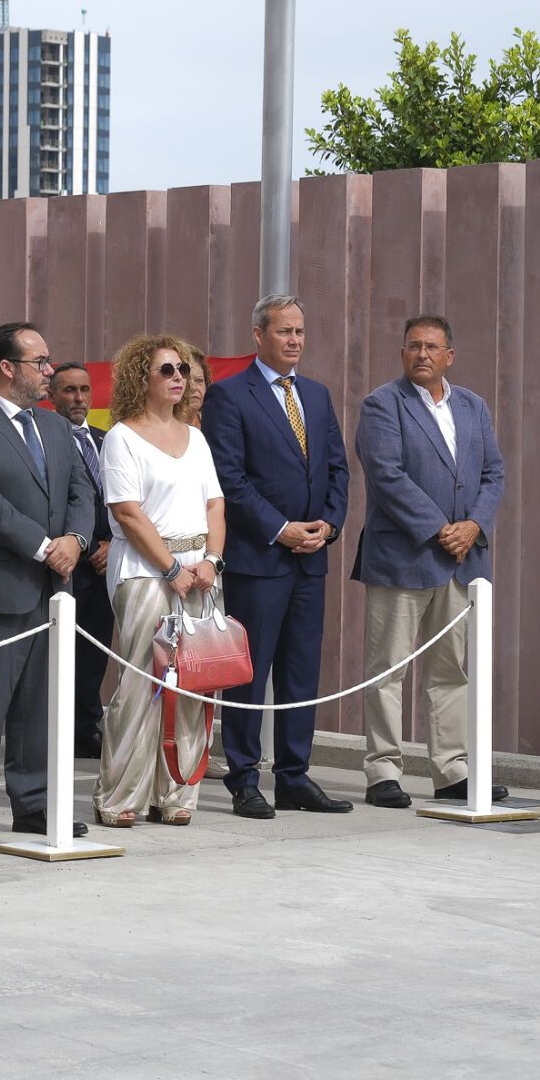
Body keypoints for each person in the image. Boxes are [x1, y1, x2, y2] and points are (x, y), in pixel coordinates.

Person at [0, 321, 96, 845]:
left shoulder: (55, 427)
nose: (50, 371)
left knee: (41, 706)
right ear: (8, 368)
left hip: (53, 592)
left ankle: (33, 804)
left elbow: (81, 490)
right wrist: (45, 546)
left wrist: (75, 537)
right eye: (41, 362)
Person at [200, 293, 353, 819]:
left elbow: (337, 468)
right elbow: (230, 479)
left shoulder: (315, 394)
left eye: (300, 332)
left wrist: (328, 526)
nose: (294, 341)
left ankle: (294, 775)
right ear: (258, 335)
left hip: (310, 558)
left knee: (301, 671)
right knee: (251, 670)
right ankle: (244, 776)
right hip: (259, 560)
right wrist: (281, 528)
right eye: (284, 331)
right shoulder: (229, 396)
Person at [353, 315, 508, 808]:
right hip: (405, 556)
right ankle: (383, 772)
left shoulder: (473, 406)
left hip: (463, 561)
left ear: (450, 356)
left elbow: (493, 472)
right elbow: (386, 475)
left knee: (451, 672)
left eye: (432, 347)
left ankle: (452, 771)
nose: (422, 354)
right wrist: (442, 528)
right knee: (388, 668)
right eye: (413, 346)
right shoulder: (383, 404)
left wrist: (475, 526)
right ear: (402, 354)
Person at [94, 336, 224, 827]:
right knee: (142, 681)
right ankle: (121, 794)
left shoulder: (197, 436)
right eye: (167, 369)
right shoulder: (122, 436)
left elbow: (216, 504)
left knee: (193, 686)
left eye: (184, 371)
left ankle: (176, 794)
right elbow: (127, 512)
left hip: (201, 574)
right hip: (148, 572)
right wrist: (172, 568)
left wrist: (212, 561)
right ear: (140, 378)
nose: (178, 378)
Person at [49, 361, 115, 759]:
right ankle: (58, 728)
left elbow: (121, 499)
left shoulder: (107, 440)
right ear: (52, 395)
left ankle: (86, 725)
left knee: (95, 652)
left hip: (109, 564)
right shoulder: (48, 438)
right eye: (69, 390)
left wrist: (111, 543)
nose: (78, 398)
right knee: (63, 652)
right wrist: (89, 545)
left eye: (84, 390)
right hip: (69, 564)